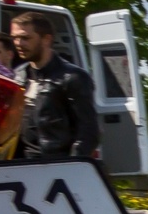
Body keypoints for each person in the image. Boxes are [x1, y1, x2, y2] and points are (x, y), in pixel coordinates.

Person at [10, 11, 99, 161]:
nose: (19, 43)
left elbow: (89, 131)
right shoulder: (18, 75)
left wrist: (71, 166)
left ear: (46, 39)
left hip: (54, 164)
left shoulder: (73, 78)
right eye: (15, 38)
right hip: (19, 164)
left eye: (25, 38)